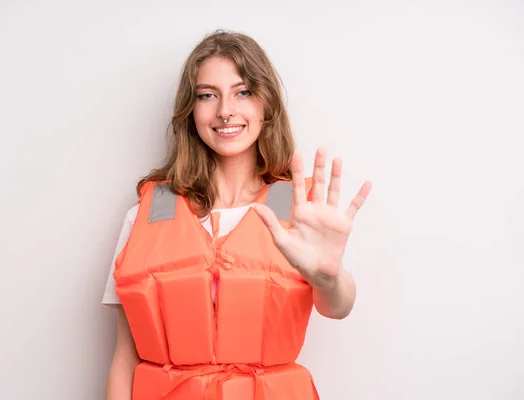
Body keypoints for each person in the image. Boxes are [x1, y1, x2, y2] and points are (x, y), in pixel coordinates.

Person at [102, 29, 372, 400]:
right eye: (207, 95)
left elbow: (338, 306)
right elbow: (124, 356)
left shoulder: (298, 209)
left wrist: (328, 276)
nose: (225, 110)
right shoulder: (148, 211)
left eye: (243, 92)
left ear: (266, 105)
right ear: (190, 111)